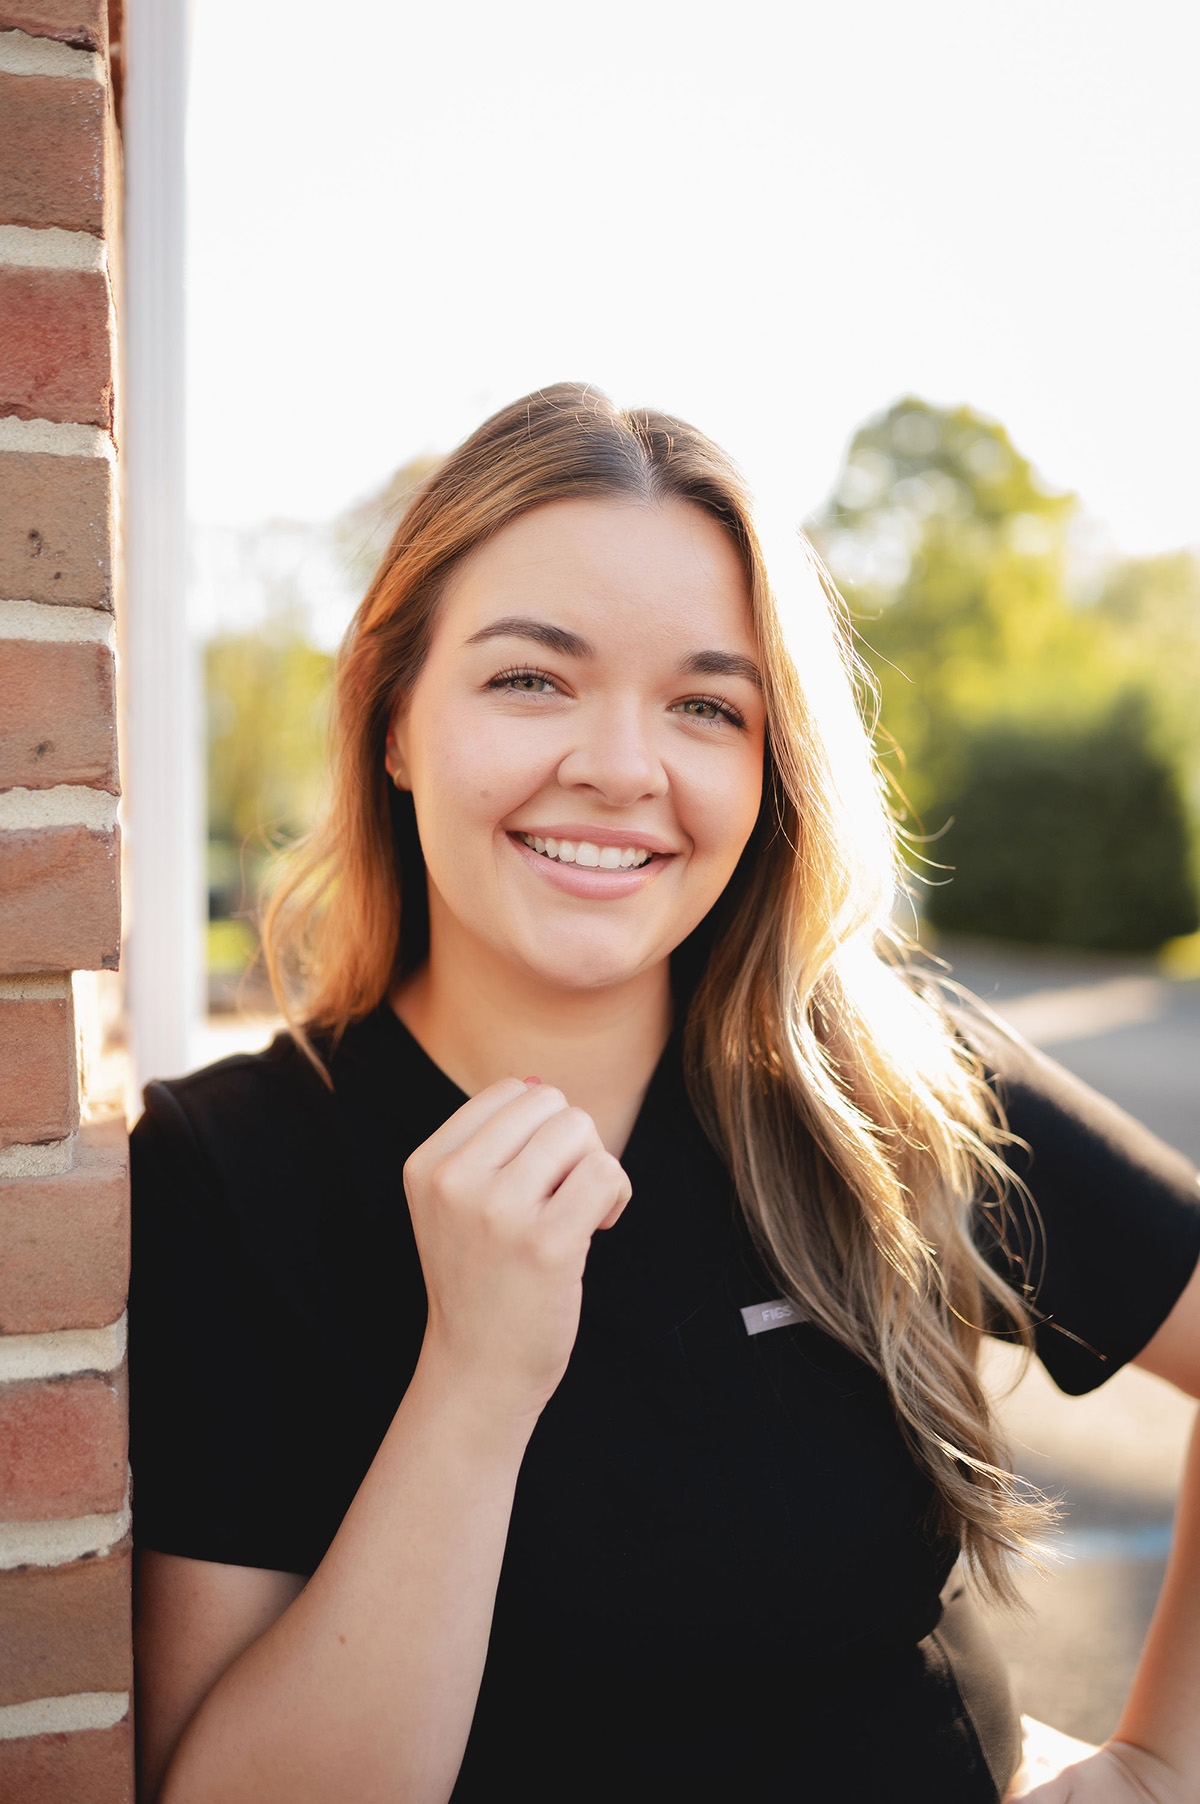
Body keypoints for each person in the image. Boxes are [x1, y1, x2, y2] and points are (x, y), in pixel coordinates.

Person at [129, 384, 1200, 1804]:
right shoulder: (228, 1174)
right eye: (531, 679)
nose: (623, 769)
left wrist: (1155, 1767)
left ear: (771, 769)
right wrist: (474, 1383)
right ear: (395, 722)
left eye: (707, 705)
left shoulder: (886, 1081)